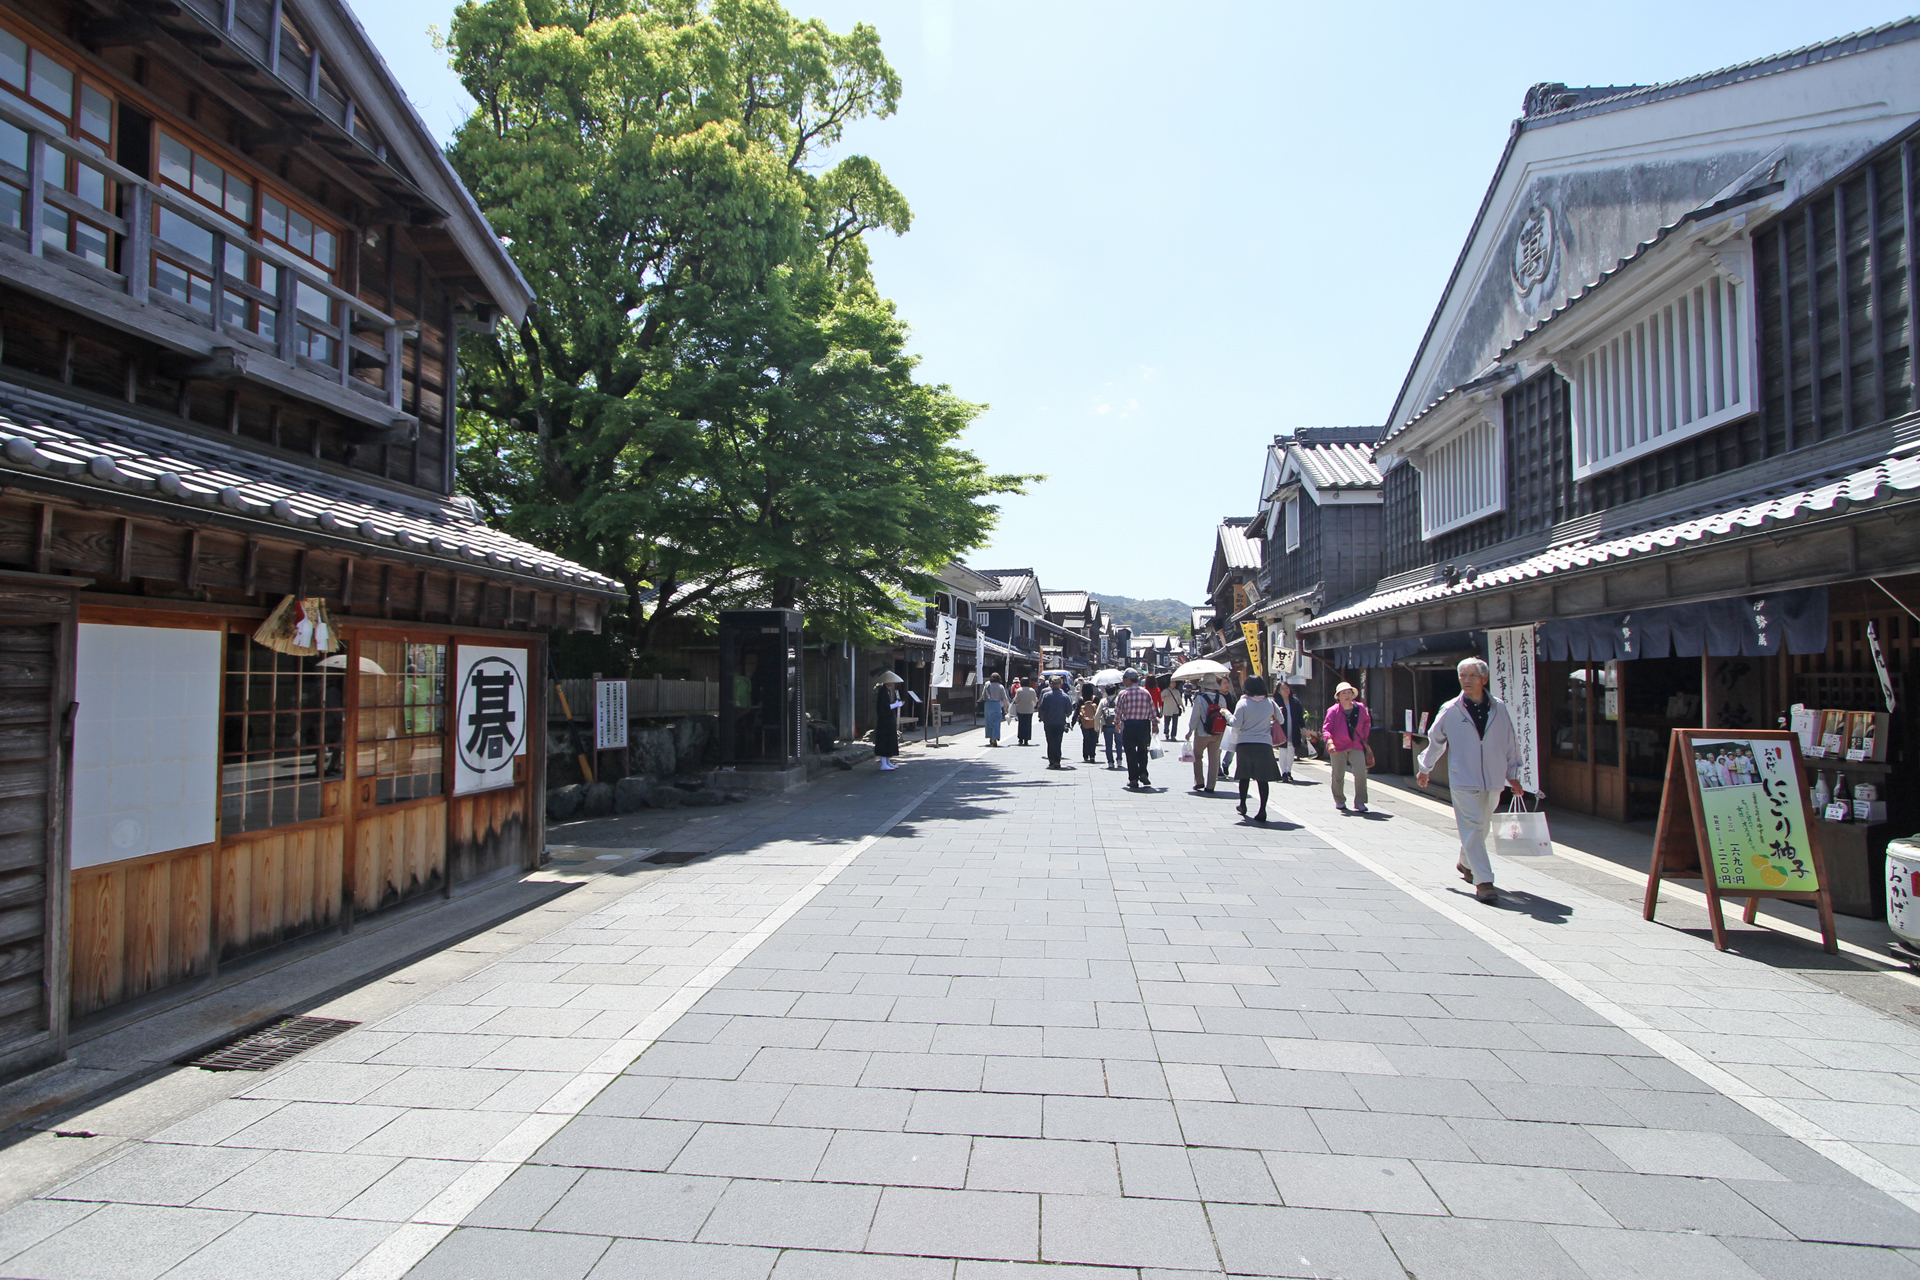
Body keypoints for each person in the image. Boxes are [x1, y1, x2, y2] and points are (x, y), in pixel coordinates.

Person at [1417, 656, 1524, 904]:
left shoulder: (1499, 707)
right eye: (1462, 676)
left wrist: (1513, 774)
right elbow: (1436, 741)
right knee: (1473, 826)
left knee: (1481, 827)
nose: (1466, 680)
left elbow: (1511, 743)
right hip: (1463, 778)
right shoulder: (1451, 709)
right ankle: (1484, 881)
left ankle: (1466, 862)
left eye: (1471, 675)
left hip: (1494, 778)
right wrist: (1425, 767)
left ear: (1484, 679)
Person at [1228, 676, 1284, 821]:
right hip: (1264, 744)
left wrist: (1226, 714)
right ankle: (1262, 810)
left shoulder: (1243, 702)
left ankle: (1243, 804)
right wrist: (1269, 724)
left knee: (1244, 776)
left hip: (1245, 743)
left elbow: (1236, 723)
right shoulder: (1269, 702)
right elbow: (1281, 719)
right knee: (1262, 779)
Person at [1323, 682, 1373, 812]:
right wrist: (1329, 742)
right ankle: (1339, 800)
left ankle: (1360, 801)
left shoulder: (1360, 708)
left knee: (1361, 772)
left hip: (1356, 744)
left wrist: (1364, 735)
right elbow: (1326, 728)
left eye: (1349, 692)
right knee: (1338, 774)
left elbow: (1367, 721)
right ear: (1338, 696)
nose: (1347, 695)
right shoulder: (1333, 710)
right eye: (1343, 693)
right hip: (1338, 746)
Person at [1115, 668, 1158, 789]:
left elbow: (1118, 711)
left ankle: (1133, 778)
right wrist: (1155, 724)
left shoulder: (1123, 694)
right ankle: (1143, 772)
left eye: (1124, 678)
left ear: (1128, 679)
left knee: (1130, 752)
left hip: (1129, 725)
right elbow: (1152, 710)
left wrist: (1117, 723)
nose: (1123, 681)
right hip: (1144, 725)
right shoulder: (1145, 693)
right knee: (1143, 750)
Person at [1186, 679, 1229, 792]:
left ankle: (1199, 781)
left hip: (1202, 732)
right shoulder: (1222, 699)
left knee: (1197, 756)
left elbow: (1195, 715)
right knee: (1214, 759)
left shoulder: (1200, 698)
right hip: (1217, 732)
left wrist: (1190, 730)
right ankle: (1211, 785)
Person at [1038, 677, 1074, 769]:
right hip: (1060, 722)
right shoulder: (1065, 696)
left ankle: (1051, 759)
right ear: (1060, 685)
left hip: (1048, 722)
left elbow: (1041, 708)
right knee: (1058, 741)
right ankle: (1057, 760)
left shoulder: (1046, 695)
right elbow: (1069, 711)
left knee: (1050, 741)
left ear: (1051, 684)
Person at [873, 675, 903, 771]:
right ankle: (883, 763)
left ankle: (888, 761)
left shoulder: (887, 691)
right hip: (884, 721)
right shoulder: (882, 691)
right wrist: (895, 705)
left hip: (888, 720)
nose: (893, 684)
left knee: (889, 741)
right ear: (888, 682)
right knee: (884, 741)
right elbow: (884, 707)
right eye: (892, 682)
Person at [1281, 679, 1308, 782]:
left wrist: (1303, 727)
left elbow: (1300, 716)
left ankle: (1289, 771)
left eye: (1287, 688)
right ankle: (1283, 772)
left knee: (1291, 751)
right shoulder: (1276, 701)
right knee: (1283, 750)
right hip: (1282, 729)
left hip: (1293, 729)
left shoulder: (1295, 701)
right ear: (1279, 691)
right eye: (1283, 689)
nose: (1285, 691)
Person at [982, 672, 1009, 747]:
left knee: (988, 722)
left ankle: (990, 737)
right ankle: (994, 737)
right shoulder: (1000, 687)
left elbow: (983, 695)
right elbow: (1004, 698)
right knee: (996, 722)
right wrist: (1006, 708)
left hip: (987, 705)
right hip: (996, 705)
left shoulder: (987, 685)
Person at [1077, 686, 1102, 763]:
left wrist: (1073, 723)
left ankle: (1085, 755)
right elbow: (1099, 711)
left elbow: (1076, 711)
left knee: (1086, 738)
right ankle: (1092, 755)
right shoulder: (1096, 699)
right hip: (1094, 722)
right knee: (1093, 738)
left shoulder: (1081, 699)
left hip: (1084, 722)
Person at [1099, 686, 1122, 768]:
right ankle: (1119, 759)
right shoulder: (1119, 700)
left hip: (1106, 725)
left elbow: (1098, 714)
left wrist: (1096, 727)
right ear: (1115, 691)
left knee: (1108, 744)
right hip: (1118, 724)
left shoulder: (1103, 701)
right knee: (1119, 743)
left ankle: (1110, 762)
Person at [1012, 679, 1038, 746]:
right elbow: (1035, 700)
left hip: (1021, 709)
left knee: (1021, 724)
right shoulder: (1032, 690)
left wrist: (1015, 703)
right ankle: (1026, 739)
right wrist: (1034, 706)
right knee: (1028, 724)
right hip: (1029, 710)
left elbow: (1016, 700)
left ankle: (1020, 738)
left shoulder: (1019, 690)